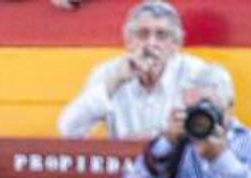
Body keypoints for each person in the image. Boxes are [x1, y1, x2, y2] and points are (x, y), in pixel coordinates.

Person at [57, 0, 208, 140]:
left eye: (161, 35)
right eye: (143, 34)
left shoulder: (197, 74)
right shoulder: (110, 73)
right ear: (129, 41)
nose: (151, 43)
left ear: (176, 44)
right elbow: (68, 129)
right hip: (125, 165)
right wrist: (115, 83)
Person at [120, 63, 251, 178]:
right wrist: (166, 143)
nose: (200, 115)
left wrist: (220, 158)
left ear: (229, 106)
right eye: (193, 108)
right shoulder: (178, 145)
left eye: (208, 106)